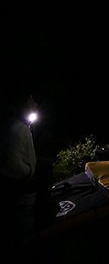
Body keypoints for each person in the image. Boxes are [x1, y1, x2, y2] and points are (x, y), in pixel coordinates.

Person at [0, 94, 54, 231]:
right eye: (32, 103)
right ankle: (43, 216)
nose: (36, 105)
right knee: (44, 172)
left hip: (16, 173)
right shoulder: (19, 129)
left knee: (45, 164)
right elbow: (13, 161)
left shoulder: (18, 125)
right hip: (15, 178)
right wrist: (28, 171)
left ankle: (43, 209)